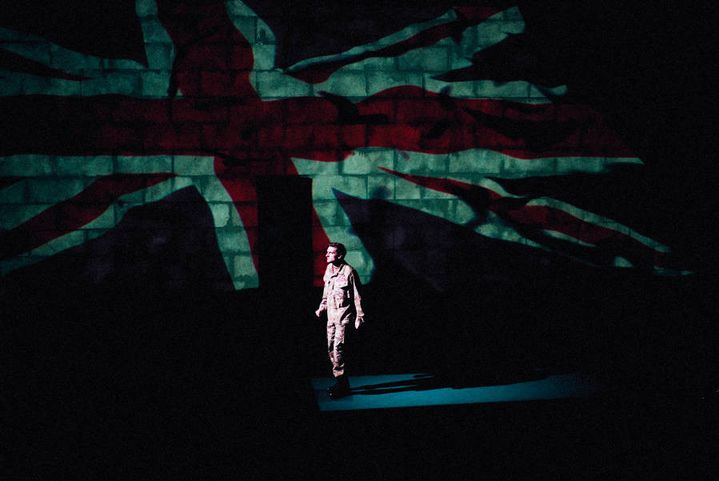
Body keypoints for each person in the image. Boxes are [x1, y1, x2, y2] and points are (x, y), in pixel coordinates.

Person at [315, 242, 365, 399]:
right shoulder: (329, 270)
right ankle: (342, 382)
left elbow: (358, 296)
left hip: (344, 318)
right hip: (331, 317)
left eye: (331, 252)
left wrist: (360, 317)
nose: (326, 255)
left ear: (340, 255)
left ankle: (342, 385)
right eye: (327, 252)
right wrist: (321, 307)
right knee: (330, 349)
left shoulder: (349, 272)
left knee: (338, 351)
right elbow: (326, 292)